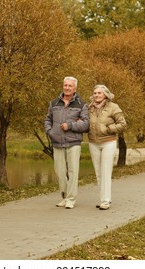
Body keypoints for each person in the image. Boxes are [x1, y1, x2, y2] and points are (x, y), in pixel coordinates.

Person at [44, 76, 89, 209]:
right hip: (57, 141)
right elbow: (47, 119)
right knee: (59, 171)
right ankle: (64, 196)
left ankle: (71, 199)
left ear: (75, 88)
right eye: (65, 85)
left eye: (70, 86)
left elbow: (86, 124)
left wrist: (70, 126)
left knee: (73, 171)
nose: (67, 88)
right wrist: (49, 131)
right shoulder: (54, 103)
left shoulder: (82, 104)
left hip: (73, 142)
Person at [88, 84, 127, 210]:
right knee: (98, 173)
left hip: (108, 141)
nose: (96, 95)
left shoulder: (113, 107)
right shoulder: (89, 108)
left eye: (99, 93)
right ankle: (103, 199)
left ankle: (105, 200)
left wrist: (109, 129)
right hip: (93, 142)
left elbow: (122, 124)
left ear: (105, 94)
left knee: (106, 171)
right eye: (95, 93)